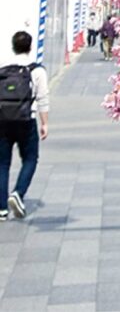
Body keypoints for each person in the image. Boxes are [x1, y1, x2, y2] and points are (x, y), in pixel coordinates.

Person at [0, 30, 49, 220]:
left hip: (2, 120)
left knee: (2, 163)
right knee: (30, 158)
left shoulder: (3, 67)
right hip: (26, 120)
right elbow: (43, 98)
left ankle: (1, 209)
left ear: (13, 46)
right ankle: (18, 193)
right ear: (30, 47)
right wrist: (45, 123)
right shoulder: (36, 70)